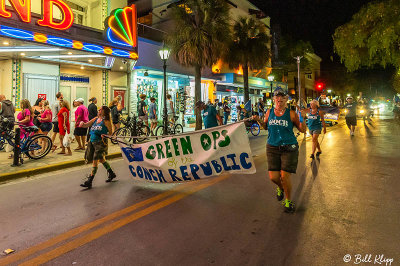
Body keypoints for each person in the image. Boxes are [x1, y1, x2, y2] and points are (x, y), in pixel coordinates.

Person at [256, 90, 307, 213]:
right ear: (274, 99)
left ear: (286, 100)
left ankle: (288, 201)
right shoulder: (269, 112)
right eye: (277, 97)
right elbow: (265, 126)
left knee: (284, 176)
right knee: (273, 177)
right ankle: (280, 187)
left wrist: (303, 118)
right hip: (272, 147)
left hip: (289, 147)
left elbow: (303, 130)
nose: (280, 100)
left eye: (282, 98)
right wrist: (258, 119)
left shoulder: (292, 114)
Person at [79, 105, 116, 189]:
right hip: (92, 142)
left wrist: (105, 135)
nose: (98, 110)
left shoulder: (106, 121)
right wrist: (82, 124)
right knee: (101, 159)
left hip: (100, 143)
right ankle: (111, 173)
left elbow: (111, 134)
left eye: (100, 110)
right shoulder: (95, 119)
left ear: (104, 112)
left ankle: (90, 181)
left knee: (95, 161)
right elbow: (86, 125)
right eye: (98, 109)